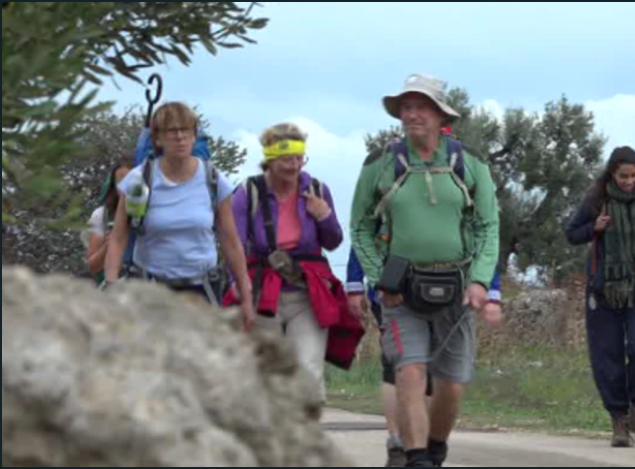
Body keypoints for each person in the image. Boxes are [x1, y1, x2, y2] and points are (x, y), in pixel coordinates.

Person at [350, 73, 501, 467]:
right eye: (406, 107)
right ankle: (416, 457)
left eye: (420, 106)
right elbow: (361, 226)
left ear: (439, 114)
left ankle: (435, 448)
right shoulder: (380, 165)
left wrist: (481, 281)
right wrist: (381, 278)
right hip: (401, 293)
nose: (411, 114)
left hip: (457, 287)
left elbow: (488, 226)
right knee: (410, 371)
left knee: (451, 385)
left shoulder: (471, 164)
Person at [223, 122, 358, 402]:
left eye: (299, 158)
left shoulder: (318, 190)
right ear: (270, 159)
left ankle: (305, 436)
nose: (294, 166)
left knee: (308, 370)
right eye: (287, 159)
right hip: (263, 292)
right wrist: (238, 282)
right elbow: (233, 243)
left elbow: (333, 242)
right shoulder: (248, 194)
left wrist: (324, 217)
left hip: (308, 293)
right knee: (266, 372)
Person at [346, 247, 504, 467]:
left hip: (452, 290)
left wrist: (491, 289)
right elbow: (365, 231)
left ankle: (426, 444)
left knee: (439, 375)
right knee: (404, 368)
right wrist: (357, 283)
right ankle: (404, 447)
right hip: (395, 290)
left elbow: (484, 233)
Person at [104, 102, 254, 326]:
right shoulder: (139, 178)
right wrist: (112, 284)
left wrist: (246, 294)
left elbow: (230, 240)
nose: (180, 137)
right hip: (150, 288)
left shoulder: (212, 178)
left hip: (202, 290)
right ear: (158, 138)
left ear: (194, 136)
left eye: (186, 130)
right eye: (172, 131)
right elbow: (118, 237)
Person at [564, 146, 635, 448]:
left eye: (633, 175)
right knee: (607, 356)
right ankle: (619, 421)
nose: (628, 181)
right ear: (612, 173)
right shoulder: (596, 201)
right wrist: (594, 228)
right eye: (623, 176)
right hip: (603, 289)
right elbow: (572, 233)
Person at [83, 159, 132, 285]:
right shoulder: (102, 216)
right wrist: (109, 245)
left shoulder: (156, 214)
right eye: (121, 181)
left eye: (132, 179)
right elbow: (92, 267)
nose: (126, 186)